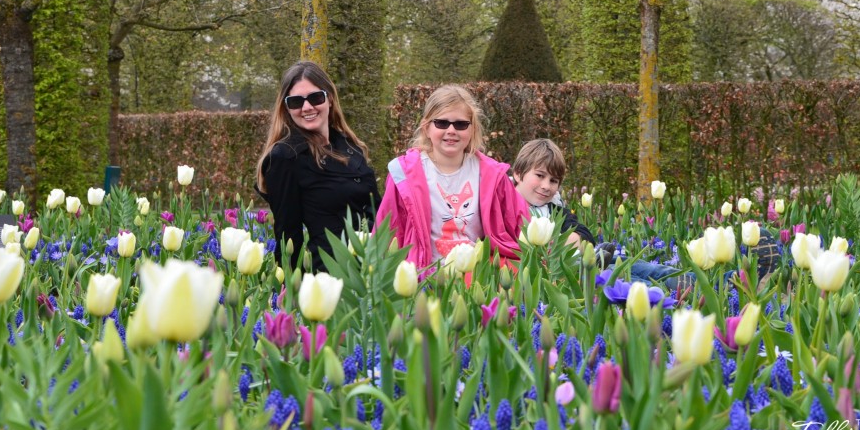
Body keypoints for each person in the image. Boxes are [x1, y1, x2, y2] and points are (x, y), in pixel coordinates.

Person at [375, 85, 529, 272]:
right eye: (441, 123)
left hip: (476, 276)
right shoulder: (404, 175)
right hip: (426, 276)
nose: (451, 130)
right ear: (426, 127)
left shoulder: (491, 175)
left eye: (461, 124)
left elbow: (521, 224)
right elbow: (389, 231)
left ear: (472, 129)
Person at [511, 138, 681, 289]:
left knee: (632, 264)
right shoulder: (506, 207)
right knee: (617, 275)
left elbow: (585, 234)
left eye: (553, 181)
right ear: (518, 173)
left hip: (581, 258)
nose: (546, 186)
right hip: (561, 269)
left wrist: (571, 241)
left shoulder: (554, 209)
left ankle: (683, 278)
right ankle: (665, 291)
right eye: (540, 176)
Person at [256, 61, 380, 269]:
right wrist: (289, 287)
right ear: (287, 108)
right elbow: (288, 233)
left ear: (329, 98)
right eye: (296, 102)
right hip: (330, 272)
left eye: (315, 98)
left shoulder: (349, 145)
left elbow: (377, 211)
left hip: (373, 267)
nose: (307, 107)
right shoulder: (287, 156)